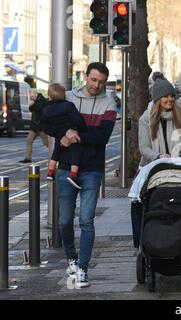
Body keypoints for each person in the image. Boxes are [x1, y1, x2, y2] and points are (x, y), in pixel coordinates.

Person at [57, 62, 116, 288]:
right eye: (93, 80)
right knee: (64, 221)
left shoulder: (109, 102)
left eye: (101, 81)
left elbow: (102, 136)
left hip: (92, 168)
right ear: (86, 76)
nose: (96, 85)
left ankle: (83, 268)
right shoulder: (69, 98)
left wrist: (73, 134)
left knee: (86, 220)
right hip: (65, 165)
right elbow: (54, 122)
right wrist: (66, 131)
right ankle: (71, 258)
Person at [130, 74, 181, 249]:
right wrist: (158, 157)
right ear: (158, 99)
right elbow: (144, 148)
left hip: (178, 168)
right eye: (166, 96)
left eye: (172, 95)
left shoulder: (180, 117)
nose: (170, 99)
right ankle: (141, 240)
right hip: (152, 167)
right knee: (138, 202)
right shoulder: (146, 119)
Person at [42, 84, 86, 189]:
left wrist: (59, 133)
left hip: (58, 136)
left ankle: (50, 172)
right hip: (72, 134)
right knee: (76, 152)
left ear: (50, 96)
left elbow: (45, 126)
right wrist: (79, 129)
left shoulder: (46, 109)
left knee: (55, 153)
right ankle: (73, 175)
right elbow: (78, 119)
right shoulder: (68, 105)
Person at [19, 91, 49, 163]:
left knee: (46, 143)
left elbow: (38, 109)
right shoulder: (36, 101)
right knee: (29, 140)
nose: (31, 98)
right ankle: (28, 158)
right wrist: (32, 105)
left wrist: (32, 105)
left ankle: (56, 156)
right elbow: (31, 109)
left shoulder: (42, 100)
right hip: (34, 127)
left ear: (36, 94)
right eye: (31, 97)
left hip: (41, 127)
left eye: (32, 97)